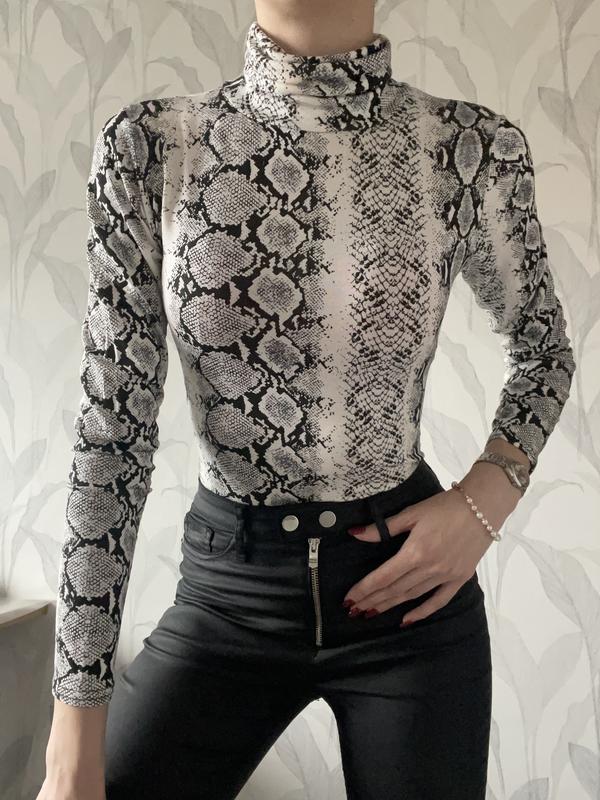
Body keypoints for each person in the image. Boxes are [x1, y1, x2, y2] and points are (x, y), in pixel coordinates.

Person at [38, 0, 576, 798]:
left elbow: (544, 351)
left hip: (411, 603)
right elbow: (112, 433)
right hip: (228, 593)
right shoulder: (153, 146)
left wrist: (482, 504)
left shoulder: (469, 148)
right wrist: (72, 734)